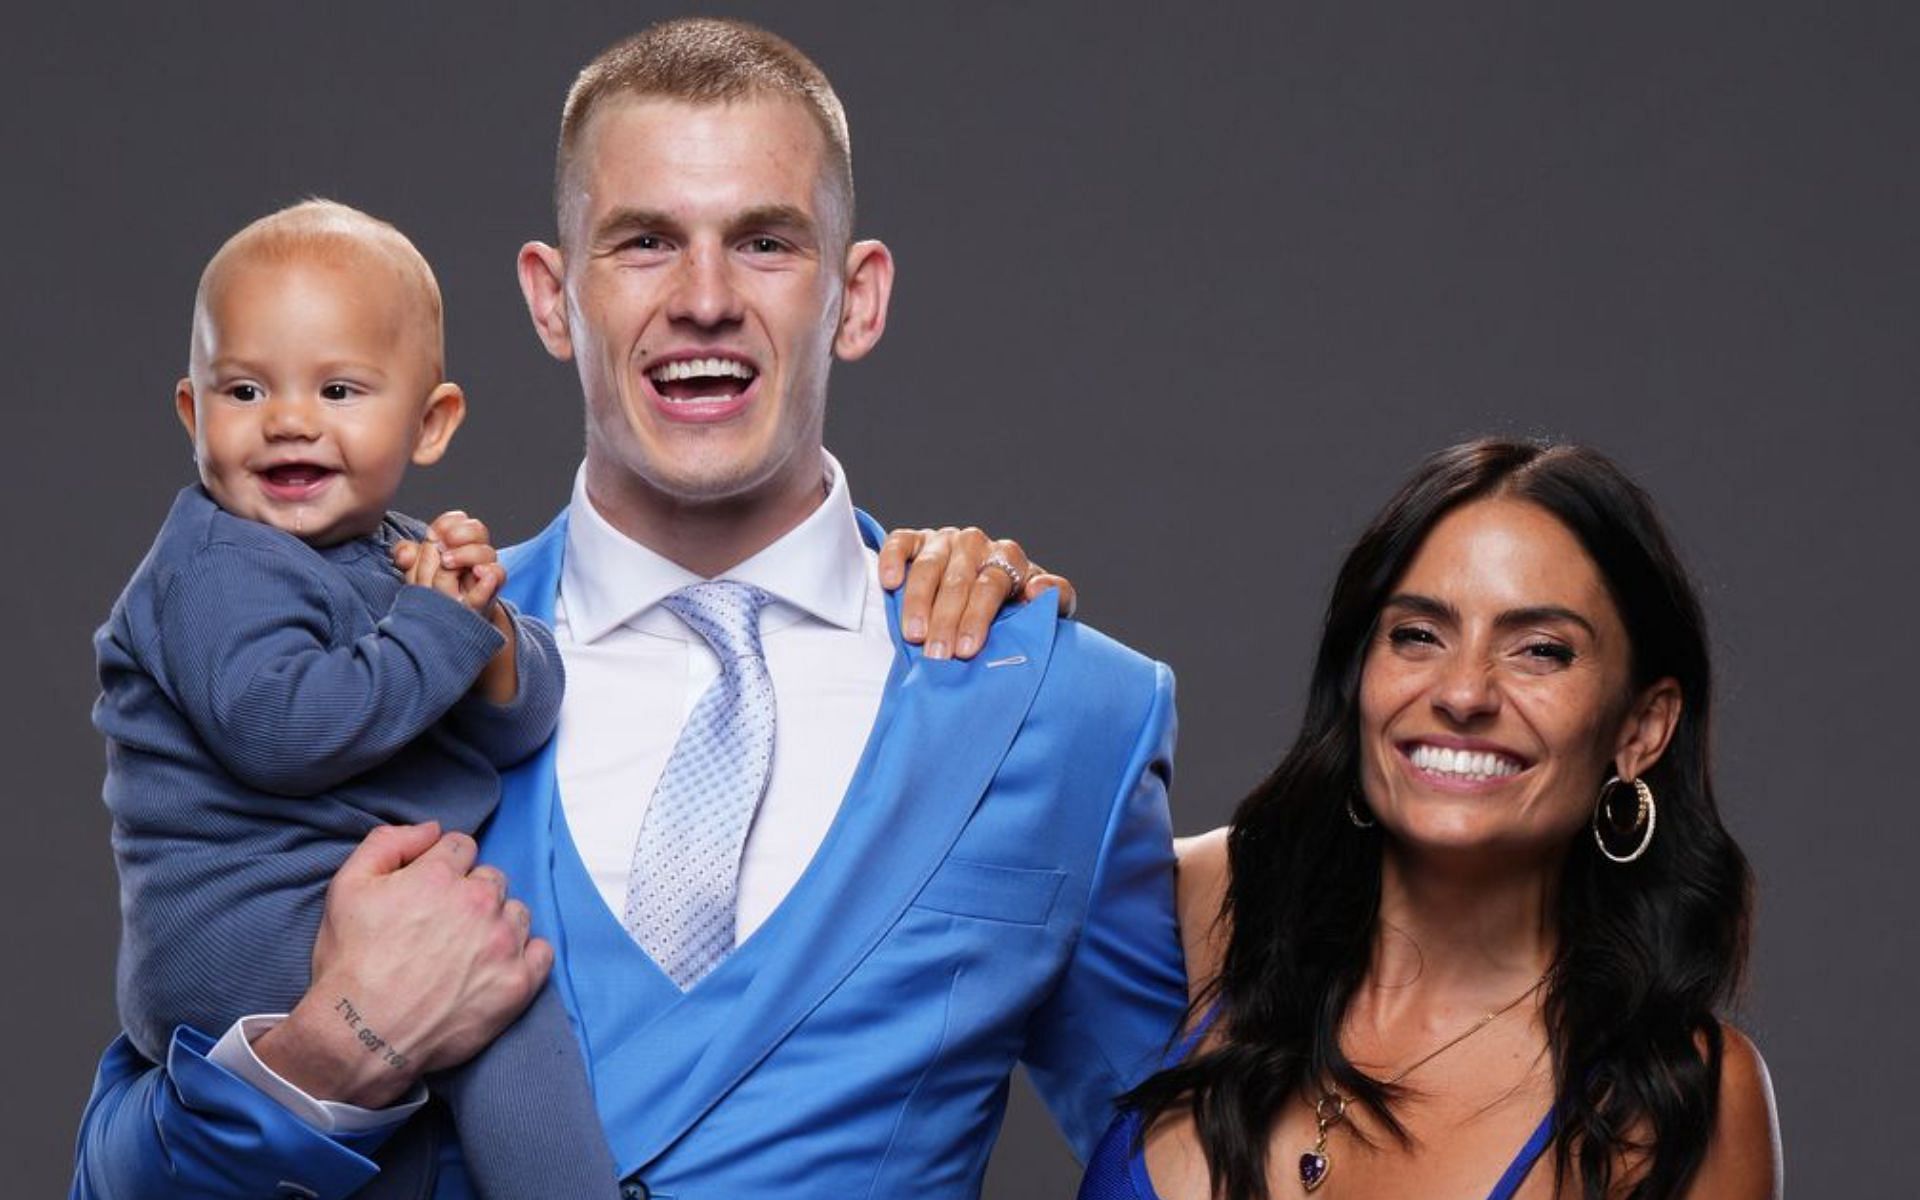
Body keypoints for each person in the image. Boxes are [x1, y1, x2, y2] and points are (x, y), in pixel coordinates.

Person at [72, 18, 1186, 1200]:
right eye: (644, 242)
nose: (704, 298)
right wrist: (330, 1058)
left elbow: (1183, 1156)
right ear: (552, 303)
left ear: (856, 301)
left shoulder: (1065, 710)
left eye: (764, 242)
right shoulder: (378, 649)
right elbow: (114, 1178)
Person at [1078, 439, 1781, 1200]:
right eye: (1417, 635)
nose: (1464, 692)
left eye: (1541, 651)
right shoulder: (1220, 905)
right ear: (1360, 681)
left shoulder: (1675, 1101)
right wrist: (967, 607)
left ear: (1639, 728)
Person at [93, 199, 620, 1199]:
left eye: (337, 388)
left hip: (336, 904)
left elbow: (520, 723)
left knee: (466, 1027)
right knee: (504, 1008)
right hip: (234, 930)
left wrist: (492, 638)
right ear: (191, 413)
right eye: (244, 389)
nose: (290, 419)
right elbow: (285, 731)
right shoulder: (212, 565)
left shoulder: (385, 552)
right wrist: (436, 630)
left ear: (430, 424)